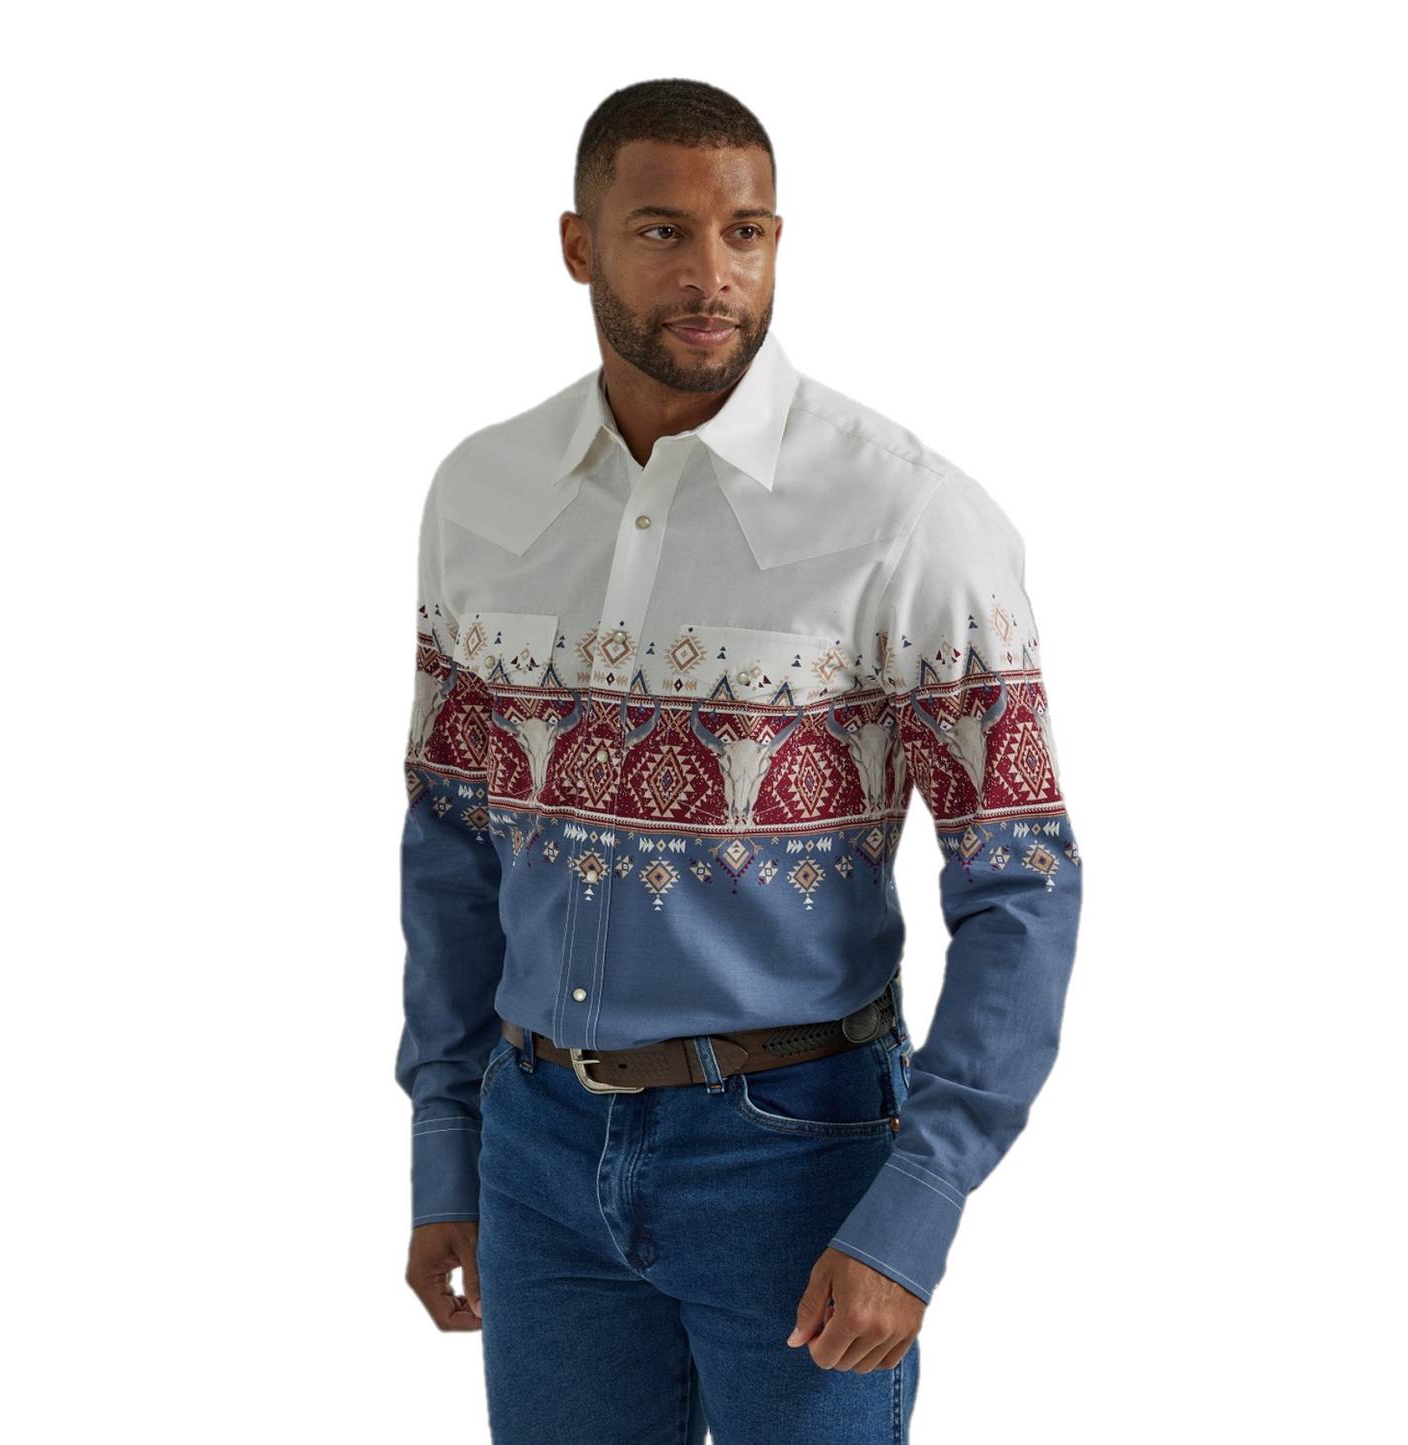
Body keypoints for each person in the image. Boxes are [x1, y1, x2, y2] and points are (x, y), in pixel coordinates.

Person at [397, 78, 1082, 1445]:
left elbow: (1022, 882)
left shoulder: (906, 514)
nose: (713, 275)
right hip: (534, 1148)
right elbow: (452, 846)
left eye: (747, 232)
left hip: (796, 1158)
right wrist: (446, 1146)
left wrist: (918, 1205)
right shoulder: (482, 494)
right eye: (663, 231)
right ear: (579, 245)